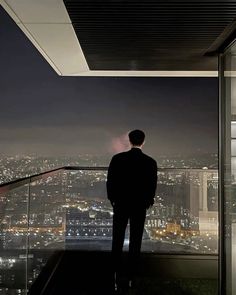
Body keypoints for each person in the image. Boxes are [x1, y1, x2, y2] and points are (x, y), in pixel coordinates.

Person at [106, 129, 158, 290]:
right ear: (143, 141)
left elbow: (110, 182)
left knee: (118, 238)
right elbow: (151, 185)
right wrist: (148, 201)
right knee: (136, 239)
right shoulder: (150, 162)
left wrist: (113, 200)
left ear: (129, 140)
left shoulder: (117, 159)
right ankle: (132, 275)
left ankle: (115, 273)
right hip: (139, 205)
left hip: (121, 203)